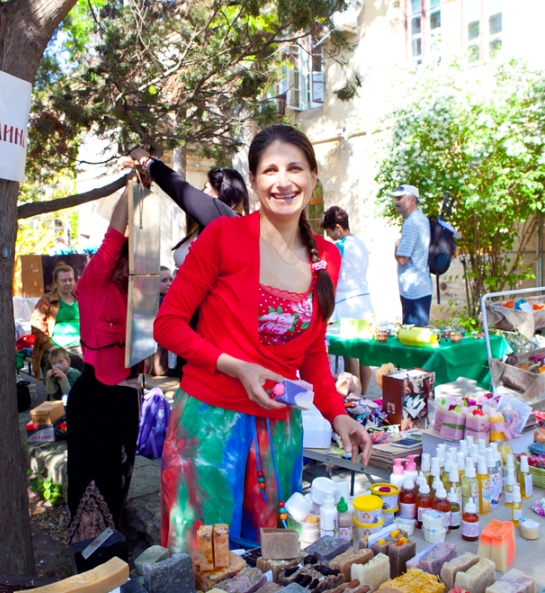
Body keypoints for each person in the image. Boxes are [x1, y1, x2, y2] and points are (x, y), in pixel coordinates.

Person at [154, 124, 372, 556]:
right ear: (254, 182)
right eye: (269, 171)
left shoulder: (325, 256)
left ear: (311, 177)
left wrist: (338, 415)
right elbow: (169, 324)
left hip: (279, 432)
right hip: (209, 428)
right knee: (202, 560)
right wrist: (234, 366)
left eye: (294, 168)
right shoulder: (223, 236)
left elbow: (311, 350)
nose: (283, 181)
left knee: (267, 563)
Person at [65, 176, 140, 543]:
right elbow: (114, 235)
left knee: (119, 482)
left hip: (126, 401)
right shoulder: (95, 283)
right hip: (94, 400)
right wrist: (130, 190)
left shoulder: (137, 297)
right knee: (91, 487)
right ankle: (90, 566)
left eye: (132, 263)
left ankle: (112, 567)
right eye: (123, 262)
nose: (127, 270)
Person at [121, 149, 249, 267]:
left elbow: (180, 188)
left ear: (222, 192)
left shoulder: (228, 220)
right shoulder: (206, 227)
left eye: (205, 187)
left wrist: (146, 160)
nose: (200, 192)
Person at [321, 206, 374, 395]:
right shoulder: (360, 244)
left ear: (338, 227)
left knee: (350, 355)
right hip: (364, 303)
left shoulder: (340, 247)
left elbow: (331, 275)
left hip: (346, 305)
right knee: (365, 355)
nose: (329, 237)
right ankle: (365, 394)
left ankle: (354, 398)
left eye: (330, 232)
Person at [30, 263, 84, 381]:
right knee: (64, 364)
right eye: (64, 280)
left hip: (80, 345)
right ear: (56, 282)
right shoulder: (47, 300)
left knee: (94, 362)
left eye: (70, 279)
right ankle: (61, 396)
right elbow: (36, 325)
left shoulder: (80, 298)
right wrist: (51, 347)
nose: (68, 283)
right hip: (57, 347)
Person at [391, 184, 432, 326]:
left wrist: (396, 245)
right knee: (419, 336)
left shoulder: (411, 223)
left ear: (412, 200)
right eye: (395, 198)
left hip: (412, 290)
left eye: (400, 198)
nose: (396, 202)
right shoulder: (422, 218)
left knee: (413, 339)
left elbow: (402, 259)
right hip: (422, 288)